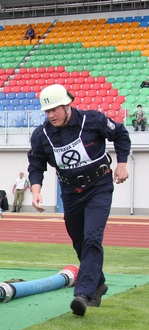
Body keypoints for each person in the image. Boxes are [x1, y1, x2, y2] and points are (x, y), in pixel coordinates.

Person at [27, 83, 130, 317]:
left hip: (99, 186)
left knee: (92, 237)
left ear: (67, 105)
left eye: (55, 109)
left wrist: (122, 163)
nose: (51, 115)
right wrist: (35, 192)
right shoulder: (41, 135)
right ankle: (99, 282)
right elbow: (35, 165)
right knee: (79, 241)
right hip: (71, 192)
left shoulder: (93, 120)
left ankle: (83, 294)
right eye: (47, 111)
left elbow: (121, 134)